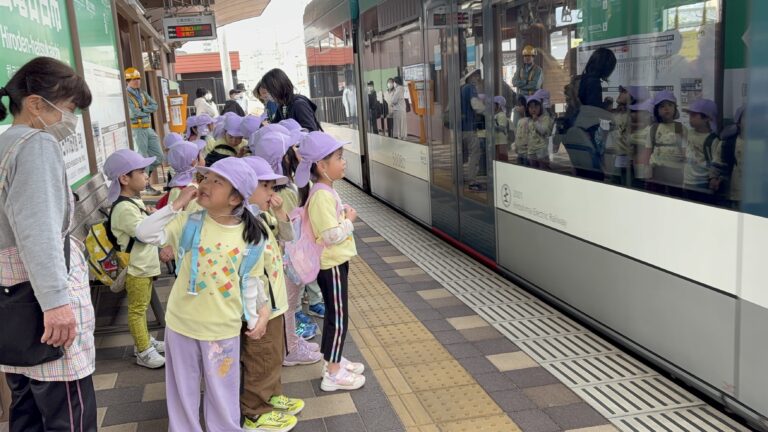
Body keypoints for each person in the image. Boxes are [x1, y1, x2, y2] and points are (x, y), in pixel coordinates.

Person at [136, 157, 269, 431]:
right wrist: (177, 204)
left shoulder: (252, 236)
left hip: (223, 329)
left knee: (223, 394)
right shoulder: (188, 221)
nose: (205, 184)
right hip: (181, 324)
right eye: (205, 178)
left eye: (217, 181)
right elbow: (144, 232)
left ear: (235, 198)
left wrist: (258, 316)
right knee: (182, 393)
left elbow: (252, 281)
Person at [0, 56, 97, 431]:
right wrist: (56, 304)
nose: (71, 119)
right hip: (42, 301)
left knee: (25, 409)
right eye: (70, 108)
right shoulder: (35, 144)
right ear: (37, 103)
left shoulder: (5, 144)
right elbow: (38, 232)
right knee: (67, 413)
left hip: (12, 304)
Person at [295, 132, 366, 392]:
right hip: (331, 264)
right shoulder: (322, 195)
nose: (343, 162)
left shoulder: (323, 191)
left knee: (337, 315)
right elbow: (331, 235)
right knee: (339, 317)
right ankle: (332, 373)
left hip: (334, 263)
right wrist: (349, 220)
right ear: (321, 166)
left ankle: (333, 359)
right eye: (339, 158)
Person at [241, 156, 305, 432]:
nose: (271, 193)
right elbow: (249, 275)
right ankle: (255, 411)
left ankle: (272, 395)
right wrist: (258, 312)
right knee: (260, 359)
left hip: (276, 305)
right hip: (262, 309)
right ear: (245, 189)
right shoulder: (244, 225)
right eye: (266, 187)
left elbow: (289, 235)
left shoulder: (262, 217)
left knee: (274, 355)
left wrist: (280, 214)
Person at [250, 129, 323, 366]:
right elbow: (288, 234)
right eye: (293, 149)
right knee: (288, 306)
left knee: (289, 305)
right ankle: (290, 348)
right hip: (286, 262)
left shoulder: (279, 193)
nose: (298, 153)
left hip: (286, 261)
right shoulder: (279, 195)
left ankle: (291, 342)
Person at [103, 150, 166, 369]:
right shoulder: (124, 208)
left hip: (143, 265)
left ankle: (145, 340)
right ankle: (143, 350)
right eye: (141, 171)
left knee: (142, 306)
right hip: (136, 268)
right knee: (138, 310)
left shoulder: (131, 202)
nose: (147, 175)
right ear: (124, 178)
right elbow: (143, 233)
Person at [125, 67, 163, 195]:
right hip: (137, 130)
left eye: (138, 79)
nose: (137, 81)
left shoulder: (142, 93)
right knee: (142, 158)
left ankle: (146, 180)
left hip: (148, 128)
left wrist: (142, 109)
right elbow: (133, 113)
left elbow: (155, 106)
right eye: (133, 79)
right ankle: (145, 185)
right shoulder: (126, 94)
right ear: (127, 80)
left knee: (158, 157)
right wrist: (145, 109)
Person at [682, 99, 720, 200]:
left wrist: (713, 178)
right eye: (690, 115)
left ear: (707, 118)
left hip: (702, 182)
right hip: (687, 179)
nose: (690, 119)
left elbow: (715, 162)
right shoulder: (689, 132)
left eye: (694, 115)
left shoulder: (713, 140)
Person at [649, 90, 686, 192]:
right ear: (657, 111)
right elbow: (648, 149)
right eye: (662, 106)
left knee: (676, 196)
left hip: (676, 170)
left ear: (675, 109)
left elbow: (685, 148)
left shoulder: (679, 127)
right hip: (658, 169)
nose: (666, 108)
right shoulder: (654, 128)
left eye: (670, 105)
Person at [461, 69, 485, 190]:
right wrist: (487, 110)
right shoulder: (470, 88)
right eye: (476, 76)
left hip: (458, 128)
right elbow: (476, 106)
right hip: (469, 127)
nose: (477, 79)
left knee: (461, 154)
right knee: (474, 153)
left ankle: (458, 177)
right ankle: (472, 180)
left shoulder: (461, 88)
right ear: (471, 77)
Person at [526, 92, 554, 170]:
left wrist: (536, 122)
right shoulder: (529, 120)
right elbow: (528, 133)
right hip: (531, 150)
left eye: (536, 107)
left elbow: (543, 131)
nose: (533, 109)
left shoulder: (545, 118)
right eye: (531, 107)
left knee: (543, 169)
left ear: (540, 107)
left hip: (541, 149)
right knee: (533, 169)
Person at [493, 96, 509, 161]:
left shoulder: (502, 115)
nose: (492, 106)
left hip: (501, 142)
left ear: (499, 105)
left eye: (494, 104)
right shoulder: (496, 115)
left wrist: (492, 125)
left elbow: (502, 128)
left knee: (502, 159)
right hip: (497, 141)